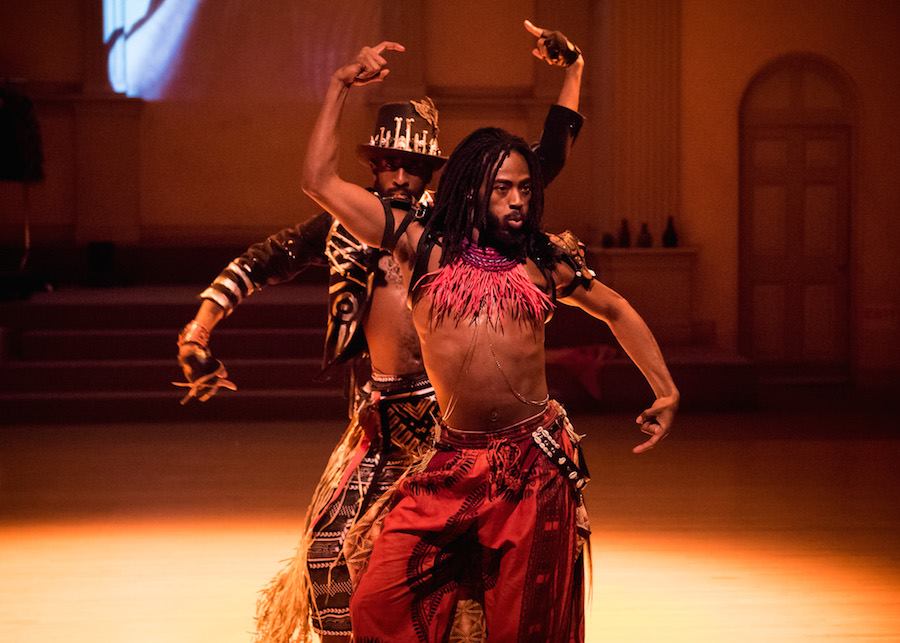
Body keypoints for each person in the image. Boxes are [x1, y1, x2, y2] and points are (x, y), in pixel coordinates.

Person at [173, 20, 586, 643]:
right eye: (389, 163)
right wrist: (198, 331)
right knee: (328, 562)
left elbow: (543, 160)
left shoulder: (453, 228)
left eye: (412, 166)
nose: (398, 177)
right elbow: (261, 262)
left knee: (470, 586)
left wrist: (572, 72)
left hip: (453, 426)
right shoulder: (348, 223)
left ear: (430, 170)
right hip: (382, 422)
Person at [299, 33, 679, 643]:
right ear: (472, 189)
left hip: (534, 464)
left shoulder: (541, 261)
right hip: (451, 461)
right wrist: (340, 86)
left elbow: (616, 308)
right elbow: (319, 180)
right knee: (378, 601)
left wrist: (664, 389)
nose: (518, 200)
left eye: (526, 189)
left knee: (523, 628)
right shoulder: (420, 245)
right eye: (503, 188)